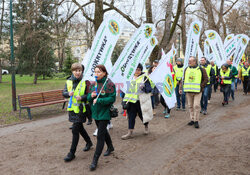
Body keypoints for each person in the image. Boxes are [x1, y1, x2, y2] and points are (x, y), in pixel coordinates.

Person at [87, 65, 116, 171]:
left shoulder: (109, 84)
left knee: (100, 135)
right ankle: (111, 147)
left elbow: (112, 98)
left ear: (104, 73)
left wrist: (99, 100)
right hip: (95, 113)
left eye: (99, 72)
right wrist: (92, 96)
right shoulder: (93, 84)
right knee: (103, 131)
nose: (96, 74)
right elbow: (89, 98)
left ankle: (95, 160)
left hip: (104, 113)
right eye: (95, 72)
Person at [62, 63, 93, 162]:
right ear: (72, 71)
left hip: (81, 110)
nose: (77, 72)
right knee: (80, 128)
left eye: (79, 70)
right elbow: (64, 92)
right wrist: (68, 94)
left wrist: (82, 97)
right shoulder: (68, 81)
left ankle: (72, 153)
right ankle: (89, 142)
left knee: (75, 130)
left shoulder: (85, 82)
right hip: (72, 110)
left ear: (81, 71)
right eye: (75, 70)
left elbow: (89, 95)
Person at [121, 63, 153, 139]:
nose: (137, 71)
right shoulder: (129, 77)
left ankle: (146, 126)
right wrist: (123, 99)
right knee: (131, 117)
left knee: (143, 116)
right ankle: (130, 132)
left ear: (141, 70)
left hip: (140, 101)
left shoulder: (144, 78)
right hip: (130, 101)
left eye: (139, 69)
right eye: (136, 69)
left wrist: (143, 87)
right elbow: (124, 88)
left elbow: (149, 89)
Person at [179, 56, 208, 128]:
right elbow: (183, 79)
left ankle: (196, 120)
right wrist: (180, 88)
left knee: (196, 106)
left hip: (197, 91)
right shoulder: (186, 69)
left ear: (195, 62)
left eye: (190, 61)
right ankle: (192, 119)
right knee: (190, 106)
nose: (189, 62)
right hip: (188, 91)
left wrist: (201, 86)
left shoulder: (201, 69)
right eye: (189, 61)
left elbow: (206, 79)